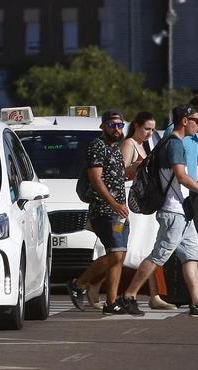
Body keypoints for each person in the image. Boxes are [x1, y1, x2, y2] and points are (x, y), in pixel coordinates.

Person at [119, 104, 198, 317]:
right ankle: (128, 296)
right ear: (184, 121)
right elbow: (182, 177)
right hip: (172, 211)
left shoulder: (176, 142)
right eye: (196, 120)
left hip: (183, 211)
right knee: (159, 255)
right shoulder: (174, 143)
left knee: (191, 256)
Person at [67, 110, 130, 314]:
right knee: (116, 254)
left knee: (119, 255)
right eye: (112, 125)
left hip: (119, 213)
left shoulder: (115, 148)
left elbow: (117, 176)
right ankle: (79, 284)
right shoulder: (97, 146)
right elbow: (96, 179)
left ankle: (111, 303)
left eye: (120, 125)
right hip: (104, 210)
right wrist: (114, 204)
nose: (116, 129)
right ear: (103, 126)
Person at [121, 111, 177, 310]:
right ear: (136, 126)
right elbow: (121, 172)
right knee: (129, 250)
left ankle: (155, 295)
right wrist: (139, 165)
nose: (149, 133)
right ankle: (92, 285)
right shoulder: (129, 144)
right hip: (132, 203)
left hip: (143, 204)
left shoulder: (144, 145)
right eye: (146, 129)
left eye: (152, 130)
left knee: (148, 248)